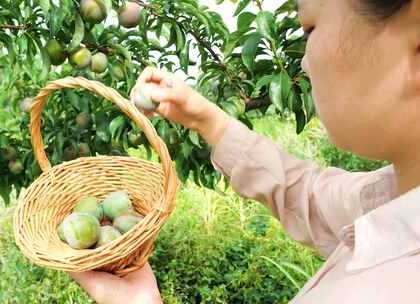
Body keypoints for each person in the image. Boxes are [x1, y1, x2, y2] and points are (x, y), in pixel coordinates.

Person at [68, 0, 420, 303]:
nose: (304, 64)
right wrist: (208, 120)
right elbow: (309, 195)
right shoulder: (396, 197)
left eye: (310, 27)